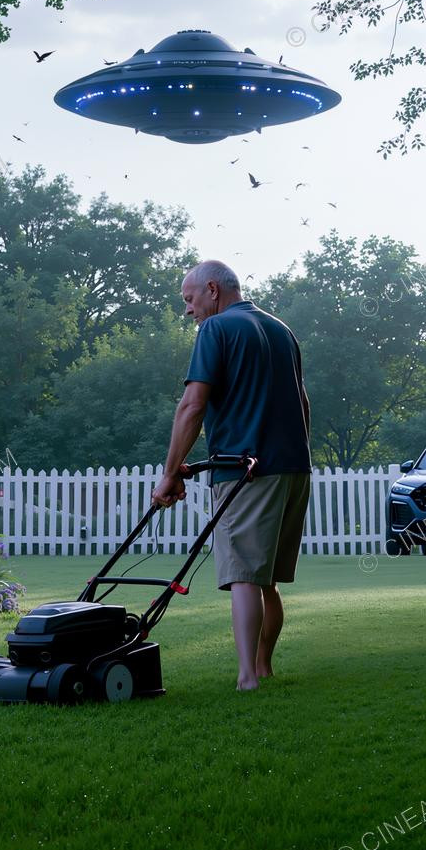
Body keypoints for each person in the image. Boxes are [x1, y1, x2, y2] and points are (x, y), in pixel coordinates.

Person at [152, 260, 312, 691]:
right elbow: (303, 402)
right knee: (267, 580)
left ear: (213, 290)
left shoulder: (216, 331)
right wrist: (296, 454)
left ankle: (246, 679)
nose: (188, 310)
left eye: (189, 299)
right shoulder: (282, 330)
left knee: (243, 574)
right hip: (293, 468)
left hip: (246, 471)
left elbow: (192, 405)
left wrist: (170, 472)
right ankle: (263, 667)